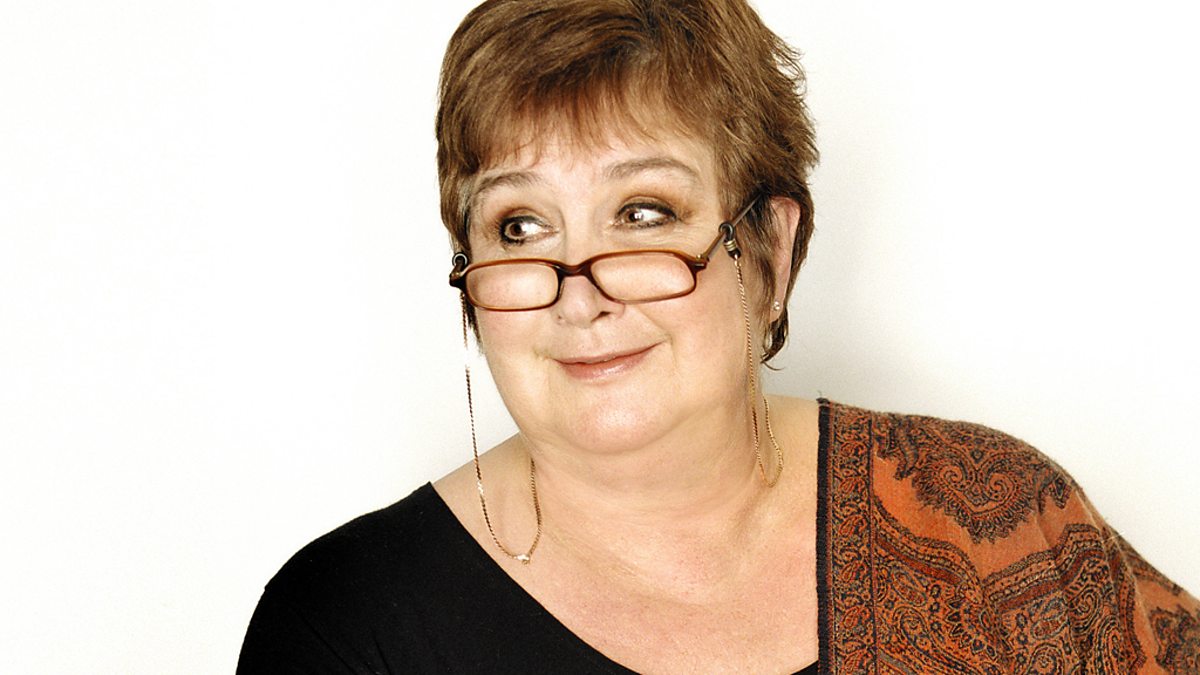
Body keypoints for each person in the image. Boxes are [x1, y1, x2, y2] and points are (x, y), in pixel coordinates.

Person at [238, 0, 1199, 672]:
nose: (581, 295)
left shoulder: (1002, 526)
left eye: (643, 212)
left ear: (769, 251)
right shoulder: (344, 626)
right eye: (519, 226)